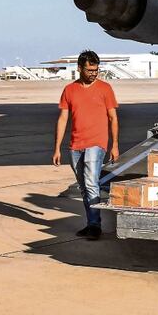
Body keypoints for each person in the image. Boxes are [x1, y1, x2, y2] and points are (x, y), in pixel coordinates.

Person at [52, 50, 119, 241]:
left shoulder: (105, 88)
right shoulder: (69, 90)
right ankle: (91, 223)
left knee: (91, 183)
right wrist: (57, 148)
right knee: (83, 187)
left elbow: (113, 118)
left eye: (96, 70)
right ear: (79, 68)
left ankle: (95, 226)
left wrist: (114, 145)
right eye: (90, 70)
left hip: (97, 143)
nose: (93, 73)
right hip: (75, 145)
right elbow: (63, 119)